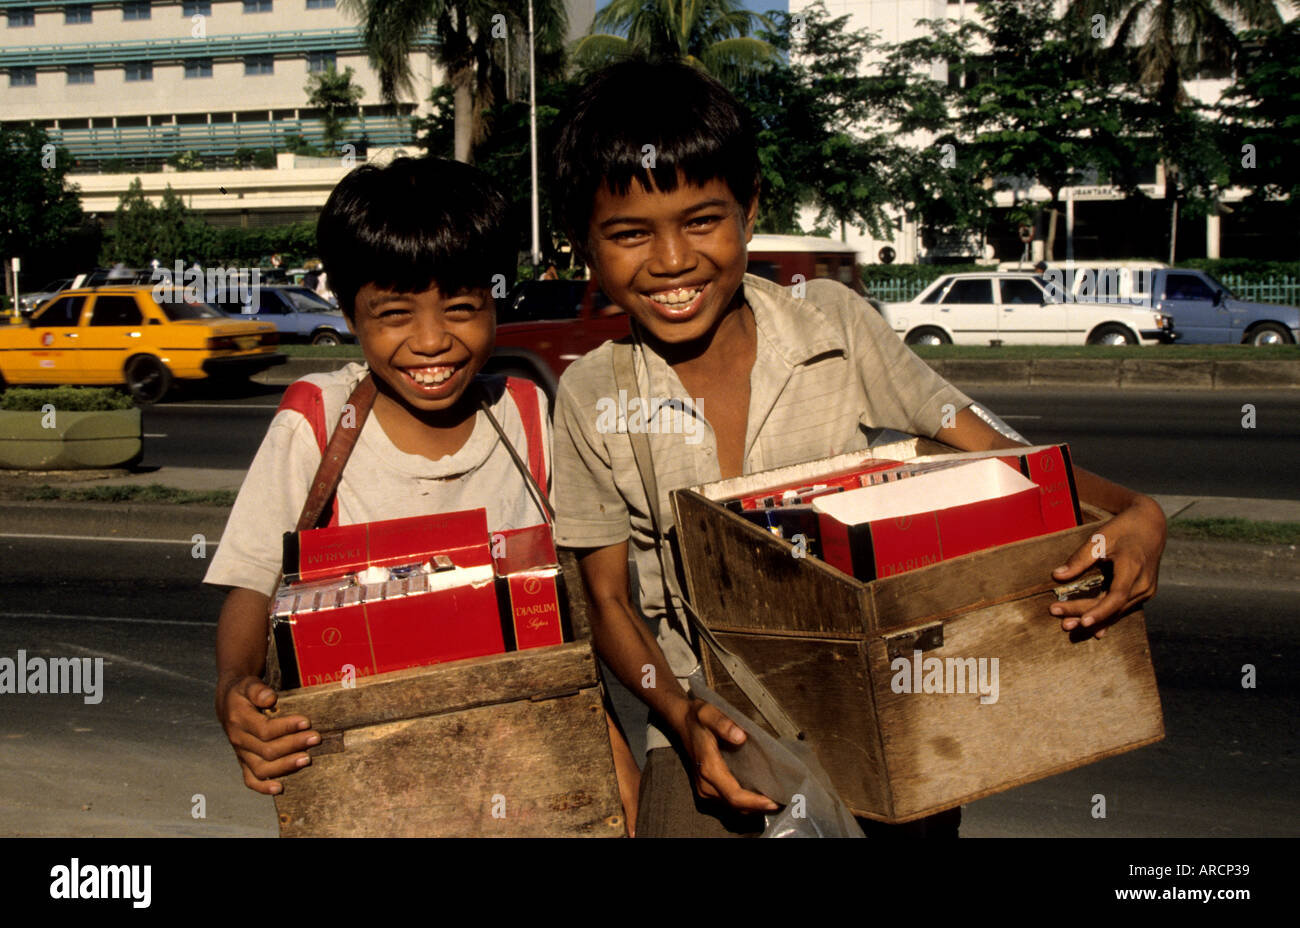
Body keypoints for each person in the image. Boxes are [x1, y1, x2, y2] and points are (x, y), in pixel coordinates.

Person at [548, 60, 1167, 837]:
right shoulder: (590, 395)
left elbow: (1000, 453)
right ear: (584, 246)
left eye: (702, 220)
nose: (673, 260)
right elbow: (608, 601)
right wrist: (678, 716)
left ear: (750, 209)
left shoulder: (834, 325)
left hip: (886, 712)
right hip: (714, 727)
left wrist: (1134, 511)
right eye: (631, 234)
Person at [204, 157, 641, 826]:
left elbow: (574, 627)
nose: (432, 341)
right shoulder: (317, 421)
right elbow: (253, 584)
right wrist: (235, 690)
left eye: (462, 308)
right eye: (395, 314)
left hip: (531, 782)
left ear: (495, 303)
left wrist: (621, 773)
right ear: (352, 315)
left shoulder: (526, 417)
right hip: (371, 790)